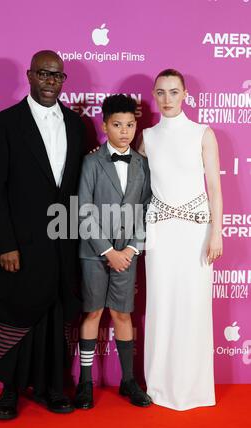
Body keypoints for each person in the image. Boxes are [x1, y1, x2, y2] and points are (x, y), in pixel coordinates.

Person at [0, 50, 85, 419]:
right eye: (43, 74)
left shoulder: (75, 125)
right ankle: (10, 391)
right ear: (29, 75)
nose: (50, 82)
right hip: (19, 245)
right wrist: (5, 245)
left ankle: (53, 387)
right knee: (17, 311)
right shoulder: (5, 124)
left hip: (62, 244)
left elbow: (74, 189)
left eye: (57, 76)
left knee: (55, 315)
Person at [138, 69, 223, 411]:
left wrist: (216, 231)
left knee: (194, 305)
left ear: (186, 93)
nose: (168, 99)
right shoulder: (146, 137)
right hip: (160, 232)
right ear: (154, 95)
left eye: (174, 91)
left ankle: (193, 387)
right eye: (161, 92)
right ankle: (158, 386)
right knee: (160, 305)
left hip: (196, 232)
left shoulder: (203, 133)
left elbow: (215, 188)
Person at [75, 94, 152, 409]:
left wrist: (133, 247)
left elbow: (148, 209)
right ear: (105, 125)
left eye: (130, 125)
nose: (124, 131)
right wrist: (107, 250)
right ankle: (85, 382)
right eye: (117, 125)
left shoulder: (143, 165)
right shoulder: (91, 162)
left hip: (128, 253)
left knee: (123, 314)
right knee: (92, 312)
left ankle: (128, 381)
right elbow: (83, 210)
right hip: (95, 253)